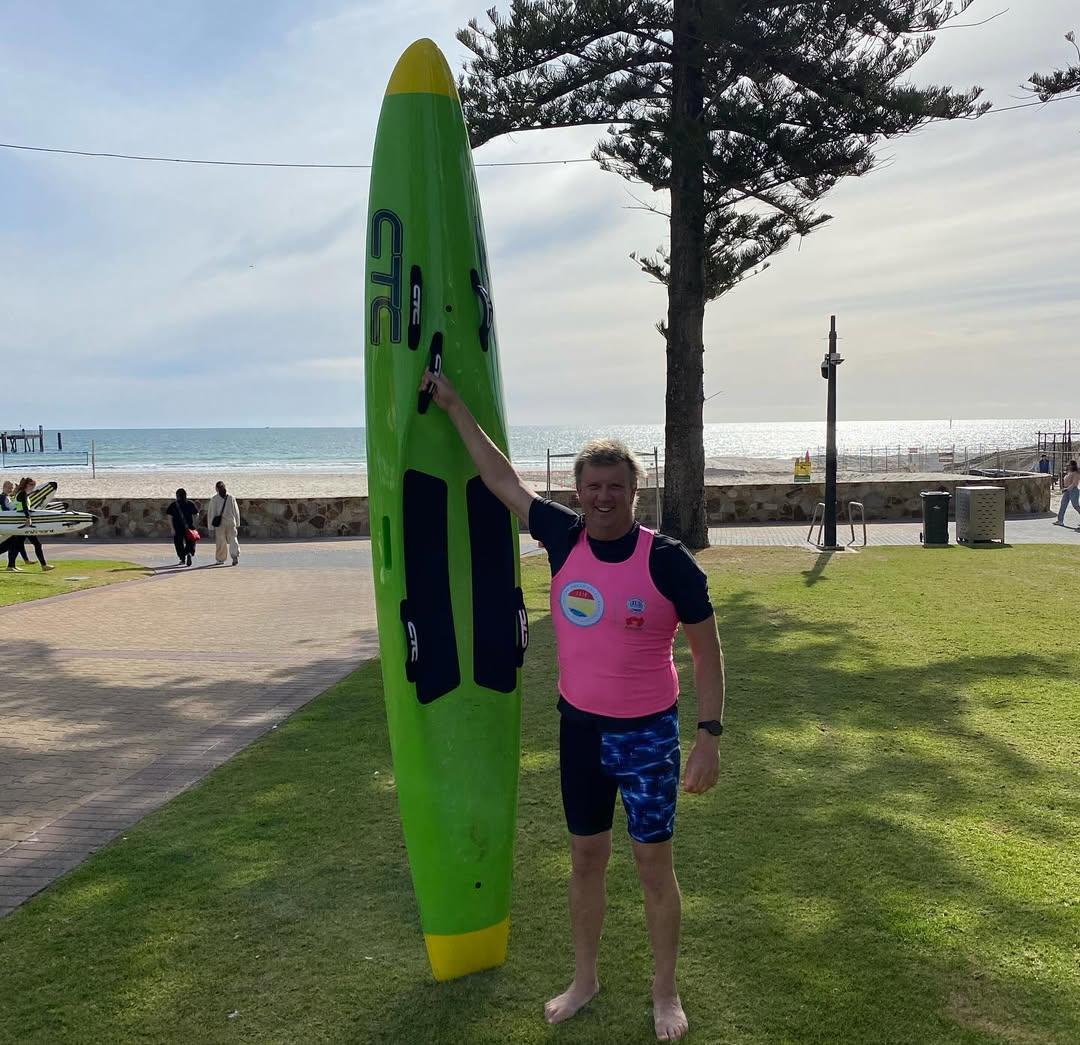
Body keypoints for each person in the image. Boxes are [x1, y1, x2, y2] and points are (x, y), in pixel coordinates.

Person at [422, 369, 724, 1043]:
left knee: (654, 866)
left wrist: (707, 735)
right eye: (592, 487)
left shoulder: (670, 562)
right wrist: (453, 404)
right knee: (585, 857)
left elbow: (707, 651)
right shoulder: (564, 537)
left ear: (634, 492)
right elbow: (503, 481)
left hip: (646, 735)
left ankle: (665, 989)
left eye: (616, 487)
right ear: (579, 493)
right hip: (579, 730)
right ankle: (584, 977)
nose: (603, 497)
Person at [9, 477, 54, 572]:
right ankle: (43, 565)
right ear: (26, 485)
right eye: (31, 485)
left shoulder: (21, 493)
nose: (33, 487)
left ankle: (11, 565)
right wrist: (28, 518)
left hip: (21, 521)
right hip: (24, 522)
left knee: (19, 544)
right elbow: (25, 507)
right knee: (36, 544)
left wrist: (34, 492)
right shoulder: (23, 494)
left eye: (34, 485)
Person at [208, 481, 241, 566]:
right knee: (233, 539)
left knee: (221, 541)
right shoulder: (231, 498)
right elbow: (236, 511)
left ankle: (220, 559)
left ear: (216, 489)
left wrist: (211, 527)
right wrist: (237, 522)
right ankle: (234, 556)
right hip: (231, 522)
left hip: (220, 524)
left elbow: (212, 513)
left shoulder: (214, 499)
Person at [166, 488, 200, 566]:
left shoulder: (174, 505)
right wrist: (195, 524)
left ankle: (182, 558)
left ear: (177, 496)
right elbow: (196, 514)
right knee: (191, 542)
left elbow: (169, 517)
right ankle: (189, 553)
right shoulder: (190, 503)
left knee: (178, 544)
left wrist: (172, 528)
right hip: (189, 526)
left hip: (177, 528)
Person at [1054, 460, 1080, 527]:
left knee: (1076, 506)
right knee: (1063, 505)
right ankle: (1060, 521)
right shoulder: (1069, 472)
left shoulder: (1076, 473)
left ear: (1073, 466)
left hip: (1073, 491)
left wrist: (1066, 489)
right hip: (1067, 491)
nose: (1067, 466)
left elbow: (1074, 484)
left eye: (1069, 465)